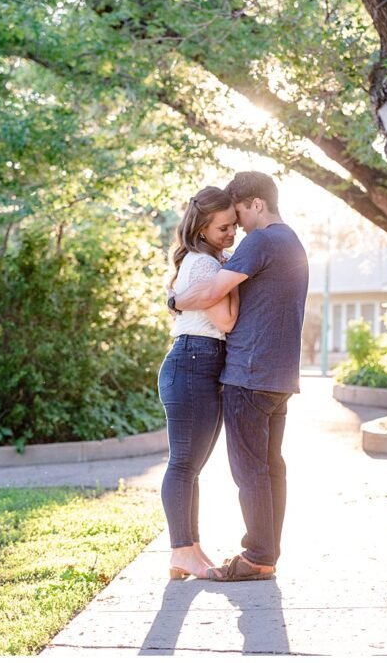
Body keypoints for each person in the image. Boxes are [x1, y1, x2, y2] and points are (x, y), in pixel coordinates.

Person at [172, 171, 309, 582]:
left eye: (239, 216)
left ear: (256, 204)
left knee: (250, 470)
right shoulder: (292, 241)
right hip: (279, 376)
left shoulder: (262, 240)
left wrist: (174, 299)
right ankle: (266, 555)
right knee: (271, 468)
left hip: (249, 374)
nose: (237, 227)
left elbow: (213, 293)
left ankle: (256, 557)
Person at [159, 186, 239, 580]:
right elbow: (226, 321)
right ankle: (180, 550)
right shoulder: (208, 266)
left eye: (234, 226)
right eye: (223, 228)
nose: (231, 234)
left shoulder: (205, 261)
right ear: (203, 228)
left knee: (189, 467)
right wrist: (236, 278)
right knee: (183, 465)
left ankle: (189, 550)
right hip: (194, 361)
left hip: (196, 362)